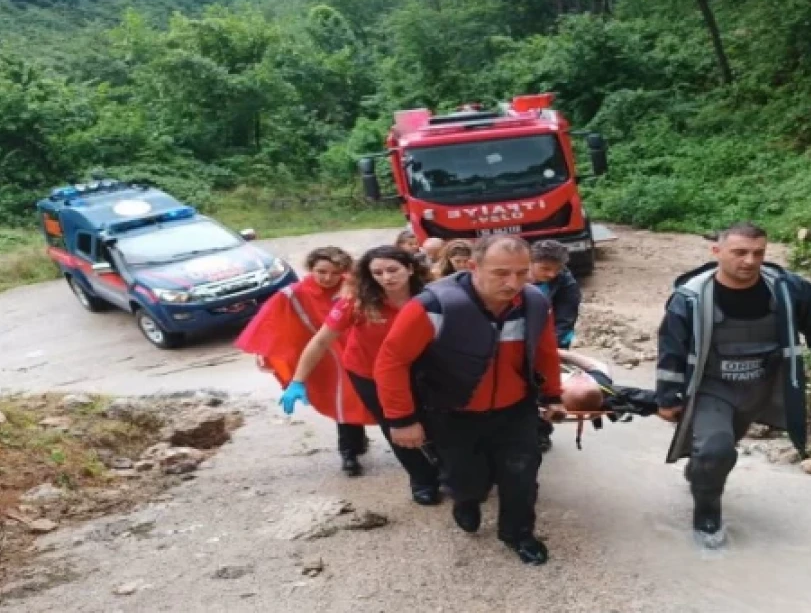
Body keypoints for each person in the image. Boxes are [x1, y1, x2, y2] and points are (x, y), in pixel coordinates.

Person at [654, 221, 811, 548]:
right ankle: (707, 516)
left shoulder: (787, 289)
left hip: (762, 387)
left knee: (715, 453)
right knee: (718, 450)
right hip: (712, 388)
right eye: (739, 252)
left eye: (758, 253)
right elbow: (671, 349)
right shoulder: (690, 298)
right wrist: (667, 397)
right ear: (716, 252)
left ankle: (701, 471)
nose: (749, 261)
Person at [373, 235, 566, 565]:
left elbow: (545, 352)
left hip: (514, 410)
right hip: (452, 412)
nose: (513, 283)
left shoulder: (533, 304)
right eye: (501, 272)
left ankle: (518, 533)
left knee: (521, 474)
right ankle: (466, 500)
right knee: (466, 479)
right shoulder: (432, 306)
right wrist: (402, 419)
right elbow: (391, 362)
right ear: (474, 266)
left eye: (522, 273)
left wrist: (553, 396)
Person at [278, 246, 443, 504]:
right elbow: (321, 341)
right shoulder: (356, 302)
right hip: (369, 373)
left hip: (420, 369)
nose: (386, 278)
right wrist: (297, 380)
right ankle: (422, 479)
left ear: (409, 268)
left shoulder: (434, 296)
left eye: (392, 270)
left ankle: (444, 466)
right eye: (377, 272)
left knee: (435, 421)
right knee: (396, 426)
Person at [234, 246, 375, 476]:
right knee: (341, 400)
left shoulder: (357, 286)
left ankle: (370, 445)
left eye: (335, 272)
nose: (328, 278)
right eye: (321, 271)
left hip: (359, 351)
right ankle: (349, 451)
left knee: (368, 398)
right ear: (311, 269)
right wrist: (269, 354)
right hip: (323, 356)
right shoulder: (294, 293)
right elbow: (270, 324)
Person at [530, 240, 583, 452]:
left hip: (550, 340)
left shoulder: (565, 281)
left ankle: (542, 431)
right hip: (515, 340)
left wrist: (554, 348)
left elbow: (566, 315)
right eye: (545, 269)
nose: (552, 274)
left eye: (556, 269)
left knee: (547, 389)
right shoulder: (512, 277)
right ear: (530, 262)